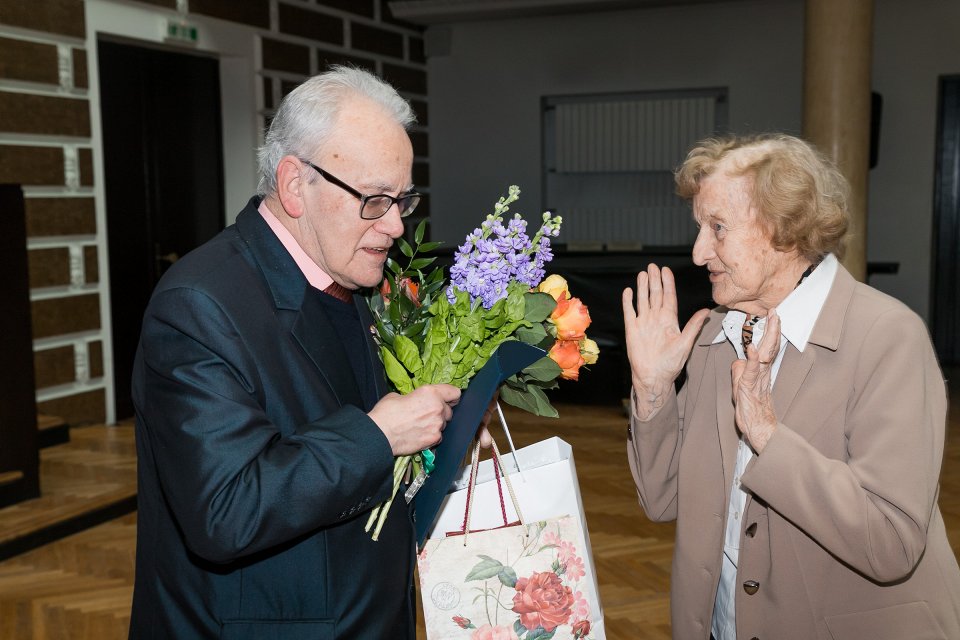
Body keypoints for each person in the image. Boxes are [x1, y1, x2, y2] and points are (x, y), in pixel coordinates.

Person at [129, 66, 462, 639]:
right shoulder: (198, 305)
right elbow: (226, 513)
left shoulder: (346, 274)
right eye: (375, 200)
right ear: (293, 185)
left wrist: (437, 435)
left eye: (402, 199)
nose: (395, 227)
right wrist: (379, 436)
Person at [622, 133, 960, 640]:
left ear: (784, 230)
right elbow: (663, 500)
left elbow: (892, 542)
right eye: (699, 228)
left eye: (718, 228)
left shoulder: (887, 336)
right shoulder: (717, 335)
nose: (697, 253)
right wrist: (652, 390)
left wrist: (766, 435)